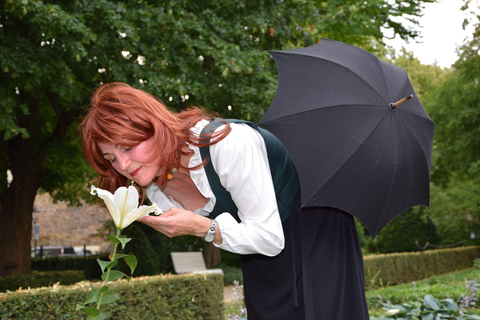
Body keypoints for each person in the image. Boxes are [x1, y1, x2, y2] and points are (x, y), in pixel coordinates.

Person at [80, 82, 369, 320]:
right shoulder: (155, 189)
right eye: (110, 158)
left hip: (314, 229)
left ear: (153, 126)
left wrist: (201, 227)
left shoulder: (225, 143)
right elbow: (246, 237)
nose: (124, 164)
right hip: (259, 254)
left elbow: (268, 236)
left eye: (128, 147)